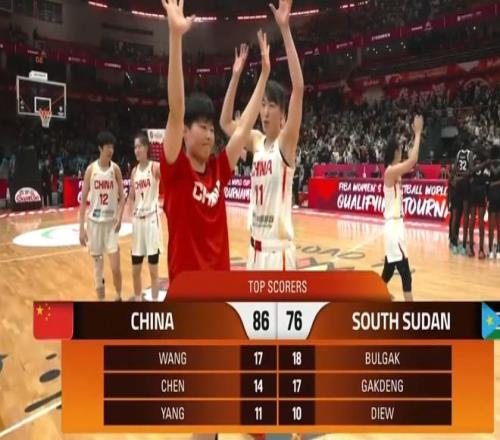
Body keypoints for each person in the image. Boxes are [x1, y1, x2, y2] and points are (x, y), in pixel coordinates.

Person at [160, 0, 271, 283]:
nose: (210, 135)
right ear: (185, 131)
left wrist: (264, 75)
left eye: (212, 129)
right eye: (203, 127)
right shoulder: (175, 170)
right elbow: (176, 109)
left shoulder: (218, 168)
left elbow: (244, 128)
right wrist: (175, 36)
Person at [220, 0, 304, 271]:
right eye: (263, 105)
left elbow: (299, 87)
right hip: (253, 252)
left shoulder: (285, 144)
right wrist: (235, 76)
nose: (265, 112)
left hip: (278, 255)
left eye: (272, 106)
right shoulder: (256, 141)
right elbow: (225, 122)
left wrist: (285, 29)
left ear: (283, 114)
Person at [381, 115, 423, 302]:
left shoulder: (395, 170)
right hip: (394, 228)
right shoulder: (391, 171)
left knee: (389, 269)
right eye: (400, 149)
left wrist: (415, 136)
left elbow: (411, 159)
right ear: (395, 152)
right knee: (406, 274)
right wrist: (418, 133)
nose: (402, 151)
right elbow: (412, 161)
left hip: (396, 226)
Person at [79, 131, 125, 301]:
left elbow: (123, 197)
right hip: (94, 224)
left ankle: (119, 296)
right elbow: (83, 201)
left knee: (115, 268)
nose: (111, 150)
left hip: (111, 224)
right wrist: (81, 229)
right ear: (100, 148)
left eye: (112, 147)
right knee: (98, 270)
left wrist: (120, 217)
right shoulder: (91, 170)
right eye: (107, 147)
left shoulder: (116, 169)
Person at [126, 132, 163, 301]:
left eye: (139, 146)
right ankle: (139, 301)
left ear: (146, 148)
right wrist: (128, 214)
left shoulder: (155, 167)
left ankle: (155, 303)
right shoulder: (134, 171)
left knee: (153, 270)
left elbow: (170, 181)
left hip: (151, 221)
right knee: (135, 270)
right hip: (138, 223)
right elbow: (131, 196)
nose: (136, 150)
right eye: (135, 147)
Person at [451, 139, 473, 255]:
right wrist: (464, 175)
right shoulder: (470, 153)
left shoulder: (459, 153)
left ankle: (454, 244)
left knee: (455, 216)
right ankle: (464, 245)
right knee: (465, 216)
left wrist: (457, 176)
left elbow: (454, 169)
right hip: (465, 184)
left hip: (458, 185)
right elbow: (470, 170)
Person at [467, 148, 489, 259]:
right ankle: (481, 250)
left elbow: (469, 178)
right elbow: (487, 181)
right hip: (481, 192)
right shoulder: (486, 165)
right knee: (480, 222)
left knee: (472, 220)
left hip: (473, 192)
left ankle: (470, 248)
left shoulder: (473, 163)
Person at [487, 145, 500, 259]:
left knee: (491, 226)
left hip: (491, 195)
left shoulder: (488, 164)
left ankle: (491, 250)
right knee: (499, 224)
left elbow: (486, 182)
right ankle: (499, 250)